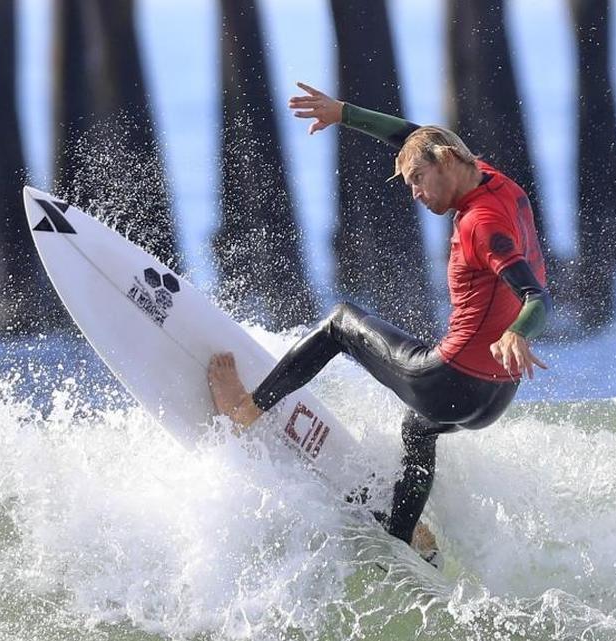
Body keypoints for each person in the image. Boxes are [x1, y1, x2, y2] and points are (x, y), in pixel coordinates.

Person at [207, 82, 552, 554]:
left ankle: (247, 410)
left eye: (416, 180)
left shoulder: (481, 223)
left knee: (339, 323)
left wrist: (519, 331)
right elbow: (414, 136)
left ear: (448, 160)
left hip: (450, 383)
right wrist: (343, 113)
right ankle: (405, 534)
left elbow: (537, 296)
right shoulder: (491, 178)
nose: (414, 193)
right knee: (418, 428)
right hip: (493, 397)